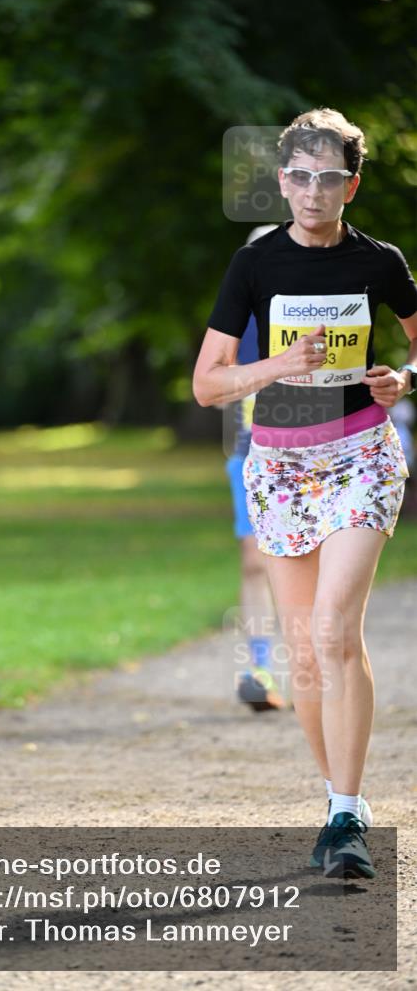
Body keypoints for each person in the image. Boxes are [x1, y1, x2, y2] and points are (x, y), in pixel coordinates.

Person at [193, 109, 417, 879]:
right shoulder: (253, 267)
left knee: (332, 632)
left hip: (361, 454)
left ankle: (349, 813)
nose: (312, 190)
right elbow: (205, 383)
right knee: (306, 659)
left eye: (329, 177)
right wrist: (275, 367)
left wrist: (405, 377)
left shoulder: (378, 262)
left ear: (350, 185)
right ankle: (333, 803)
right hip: (280, 465)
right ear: (281, 181)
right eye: (298, 176)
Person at [224, 225, 285, 713]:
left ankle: (315, 662)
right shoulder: (237, 314)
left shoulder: (317, 309)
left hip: (319, 454)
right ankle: (258, 668)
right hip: (250, 453)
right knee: (254, 562)